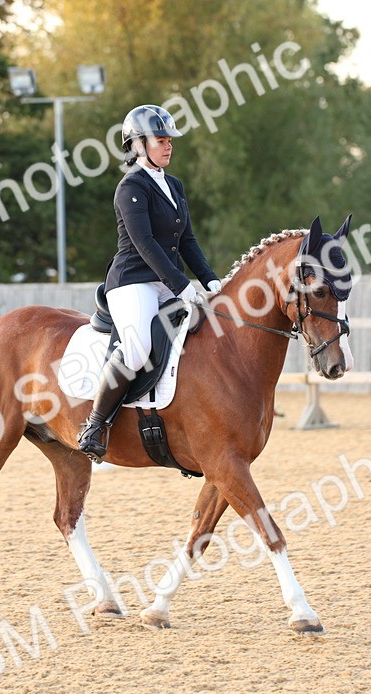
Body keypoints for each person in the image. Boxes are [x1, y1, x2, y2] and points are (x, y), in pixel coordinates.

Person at [77, 104, 222, 462]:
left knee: (208, 330)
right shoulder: (131, 187)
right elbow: (146, 245)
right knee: (138, 346)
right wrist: (182, 286)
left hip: (166, 281)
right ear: (138, 145)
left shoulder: (174, 184)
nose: (169, 145)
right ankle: (95, 425)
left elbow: (186, 241)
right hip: (133, 281)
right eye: (161, 140)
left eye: (169, 139)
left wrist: (212, 280)